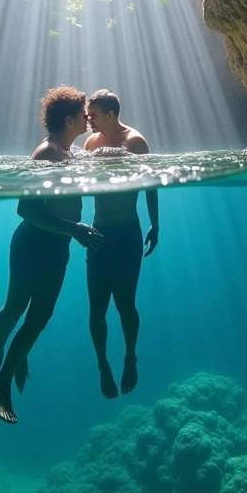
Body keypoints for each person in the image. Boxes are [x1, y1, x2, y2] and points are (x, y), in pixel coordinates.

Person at [0, 85, 103, 424]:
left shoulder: (70, 152)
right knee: (16, 308)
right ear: (69, 119)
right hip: (32, 245)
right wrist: (76, 229)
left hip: (59, 248)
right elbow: (26, 210)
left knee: (39, 318)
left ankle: (6, 375)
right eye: (83, 114)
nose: (88, 118)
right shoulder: (46, 153)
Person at [83, 89, 159, 399]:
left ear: (111, 115)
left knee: (125, 304)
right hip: (98, 232)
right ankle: (102, 364)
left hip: (127, 233)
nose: (88, 121)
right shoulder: (90, 143)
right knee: (96, 309)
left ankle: (130, 357)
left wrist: (156, 223)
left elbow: (152, 183)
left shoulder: (135, 142)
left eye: (94, 115)